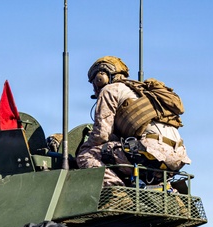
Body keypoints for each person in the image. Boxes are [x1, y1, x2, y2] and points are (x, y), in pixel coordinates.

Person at [76, 56, 190, 186]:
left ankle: (116, 193)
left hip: (153, 152)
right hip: (178, 158)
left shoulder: (110, 90)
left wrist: (85, 146)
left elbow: (102, 134)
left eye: (94, 83)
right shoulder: (140, 93)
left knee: (86, 156)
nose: (94, 89)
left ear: (101, 78)